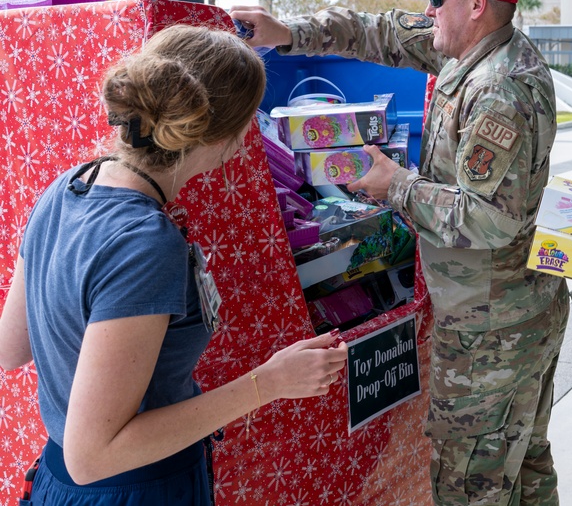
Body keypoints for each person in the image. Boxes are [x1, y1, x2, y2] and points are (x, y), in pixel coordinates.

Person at [230, 0, 569, 506]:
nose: (428, 8)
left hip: (494, 330)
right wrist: (286, 32)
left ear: (477, 4)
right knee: (526, 468)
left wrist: (396, 186)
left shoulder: (497, 90)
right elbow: (382, 30)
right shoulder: (475, 51)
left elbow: (489, 219)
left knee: (473, 485)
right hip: (515, 311)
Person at [0, 25, 348, 504]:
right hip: (133, 489)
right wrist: (268, 383)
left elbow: (9, 347)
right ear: (226, 135)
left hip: (56, 482)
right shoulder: (146, 242)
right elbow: (93, 455)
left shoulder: (67, 186)